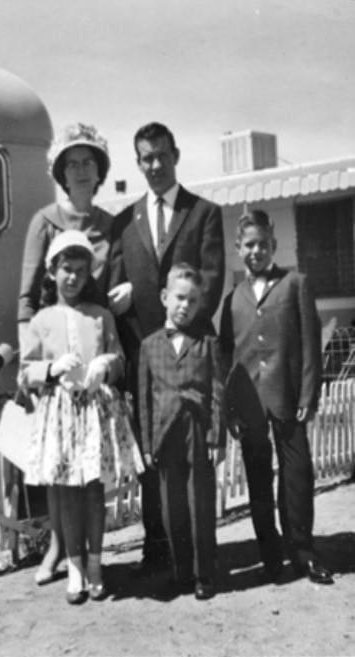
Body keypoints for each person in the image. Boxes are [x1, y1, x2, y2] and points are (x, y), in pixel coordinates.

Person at [107, 121, 225, 574]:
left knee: (193, 464)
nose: (154, 165)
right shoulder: (125, 222)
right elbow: (115, 289)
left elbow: (209, 285)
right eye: (145, 158)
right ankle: (159, 550)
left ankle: (198, 558)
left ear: (175, 155)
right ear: (137, 163)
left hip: (192, 360)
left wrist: (181, 336)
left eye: (161, 155)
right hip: (146, 363)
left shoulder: (204, 213)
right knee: (152, 459)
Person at [20, 230, 141, 604]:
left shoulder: (101, 316)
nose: (72, 277)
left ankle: (94, 565)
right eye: (65, 269)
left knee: (93, 492)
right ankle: (73, 568)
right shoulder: (41, 320)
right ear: (52, 272)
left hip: (94, 414)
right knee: (69, 494)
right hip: (60, 416)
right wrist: (52, 368)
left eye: (80, 270)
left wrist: (106, 364)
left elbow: (119, 359)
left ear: (90, 274)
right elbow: (25, 373)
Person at [17, 123, 114, 587]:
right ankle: (60, 548)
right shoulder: (44, 220)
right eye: (71, 162)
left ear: (99, 172)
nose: (79, 170)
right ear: (60, 170)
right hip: (51, 351)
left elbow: (114, 283)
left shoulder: (111, 224)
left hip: (96, 344)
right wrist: (34, 369)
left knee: (88, 471)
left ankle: (84, 554)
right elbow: (28, 297)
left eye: (88, 162)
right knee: (56, 465)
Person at [219, 209, 333, 585]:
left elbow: (310, 344)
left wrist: (307, 394)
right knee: (257, 479)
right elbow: (226, 359)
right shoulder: (232, 299)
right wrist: (230, 409)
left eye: (263, 244)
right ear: (238, 248)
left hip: (288, 397)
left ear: (274, 245)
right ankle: (269, 554)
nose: (257, 251)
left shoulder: (296, 284)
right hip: (250, 402)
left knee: (297, 474)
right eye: (249, 245)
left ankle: (303, 552)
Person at [137, 264, 226, 600]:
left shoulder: (207, 344)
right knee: (171, 506)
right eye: (179, 297)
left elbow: (218, 392)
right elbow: (144, 400)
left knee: (199, 504)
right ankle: (181, 572)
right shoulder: (148, 346)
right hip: (164, 435)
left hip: (198, 433)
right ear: (164, 297)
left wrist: (217, 436)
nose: (185, 306)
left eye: (192, 300)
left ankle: (205, 574)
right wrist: (147, 444)